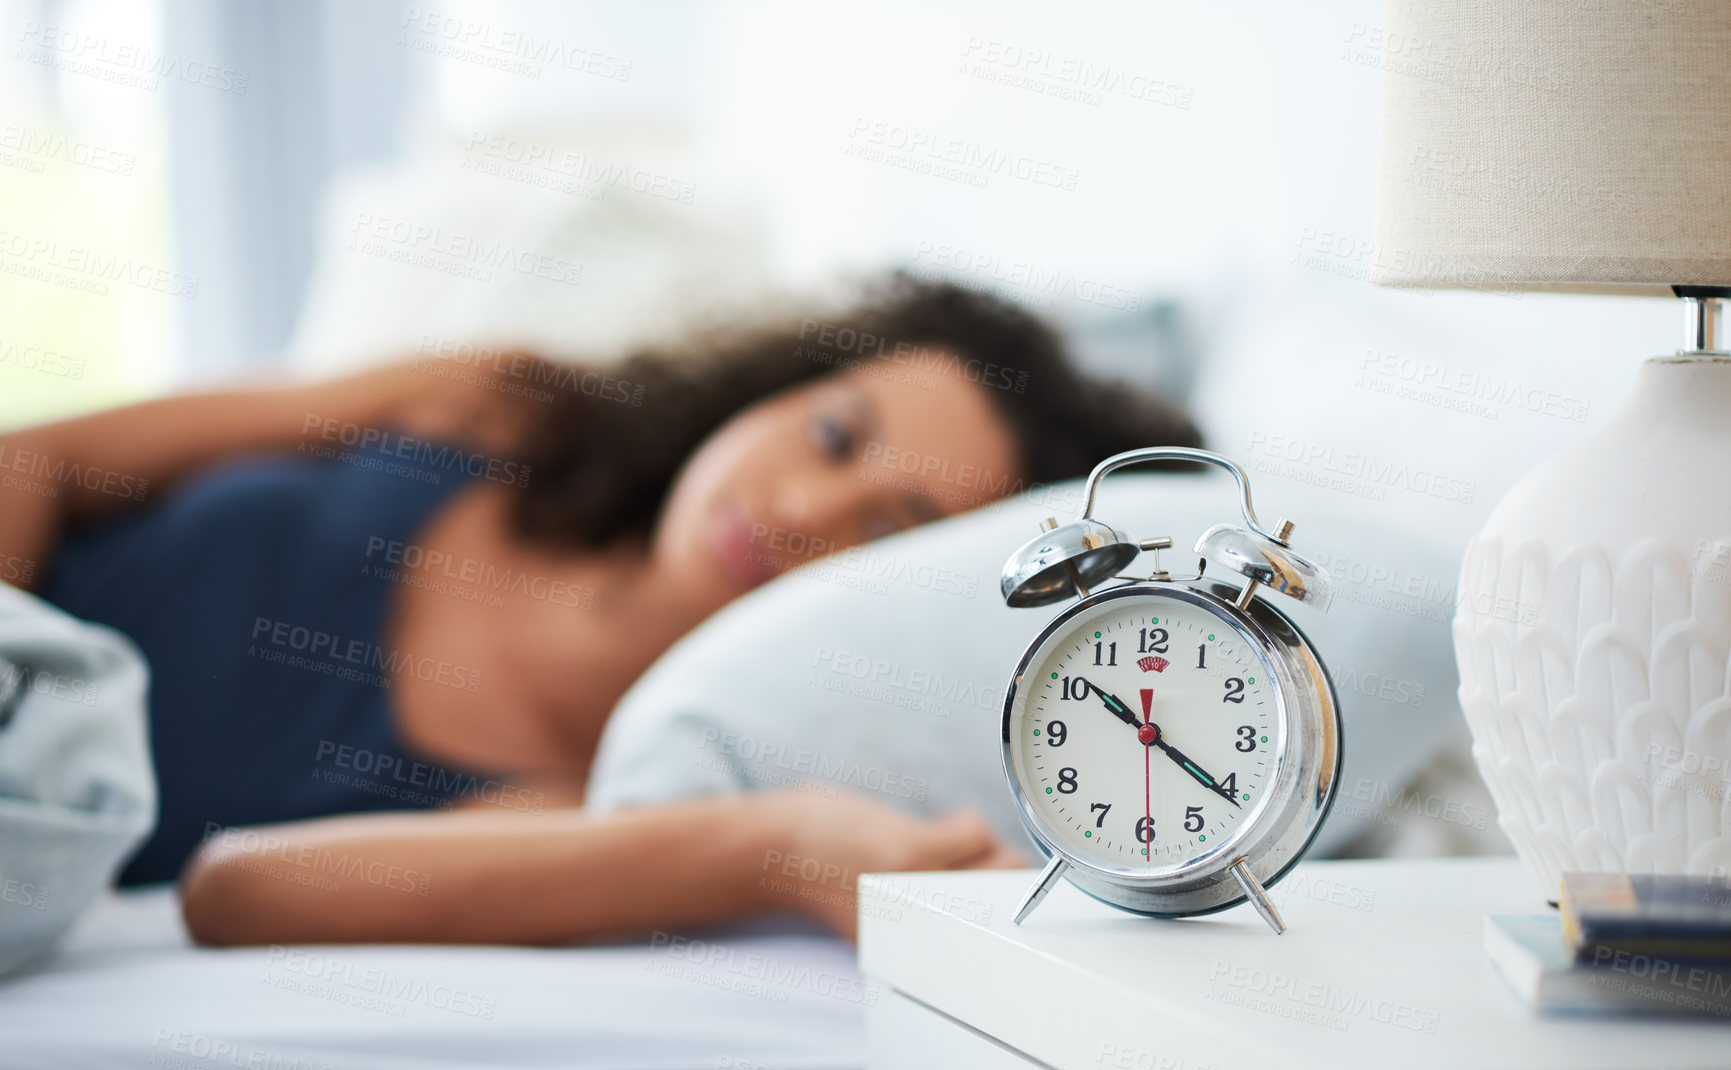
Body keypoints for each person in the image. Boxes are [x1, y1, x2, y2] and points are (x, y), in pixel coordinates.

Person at [0, 276, 1200, 946]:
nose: (795, 504)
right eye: (832, 432)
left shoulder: (598, 783)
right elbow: (32, 463)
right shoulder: (501, 410)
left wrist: (768, 851)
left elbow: (234, 891)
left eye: (888, 530)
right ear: (777, 383)